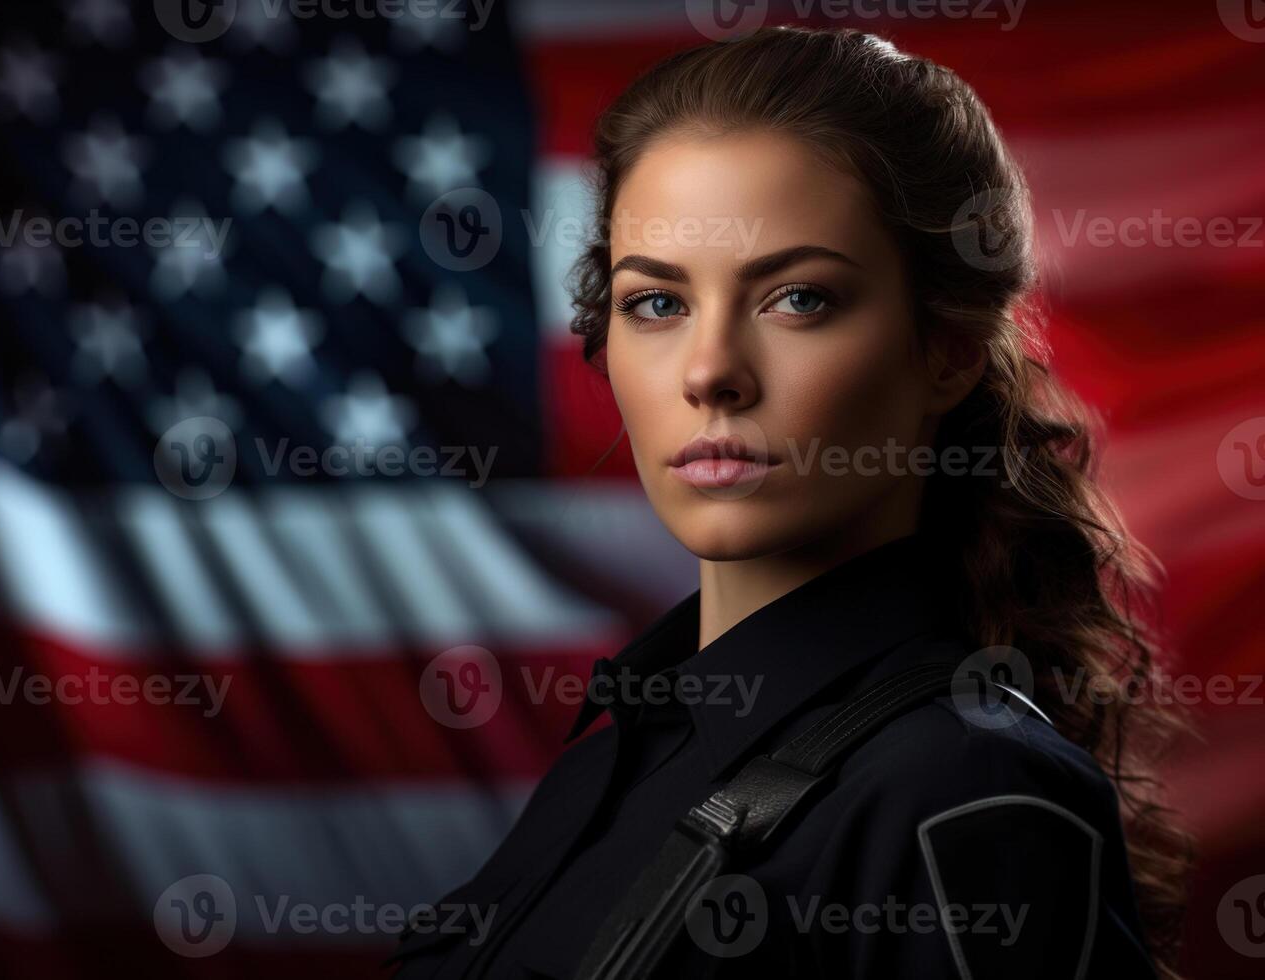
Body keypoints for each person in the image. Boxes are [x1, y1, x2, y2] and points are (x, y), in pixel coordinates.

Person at [387, 25, 1189, 979]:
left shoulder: (964, 783)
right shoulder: (610, 757)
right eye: (657, 303)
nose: (712, 372)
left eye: (799, 299)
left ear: (948, 349)